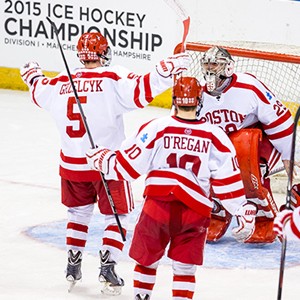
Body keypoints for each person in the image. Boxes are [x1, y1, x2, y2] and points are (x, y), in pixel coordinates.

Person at [20, 32, 191, 295]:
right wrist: (164, 72)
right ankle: (108, 262)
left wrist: (32, 73)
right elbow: (141, 91)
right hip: (107, 164)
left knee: (78, 213)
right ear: (103, 53)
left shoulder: (61, 82)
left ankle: (73, 262)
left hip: (71, 166)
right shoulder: (112, 78)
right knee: (118, 215)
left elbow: (38, 89)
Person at [86, 76, 257, 300]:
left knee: (147, 261)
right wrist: (241, 210)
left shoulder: (157, 127)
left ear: (175, 100)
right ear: (199, 101)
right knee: (185, 268)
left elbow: (127, 168)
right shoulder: (216, 136)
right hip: (194, 212)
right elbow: (228, 183)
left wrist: (105, 161)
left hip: (158, 207)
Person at [198, 45, 297, 243]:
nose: (210, 70)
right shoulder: (198, 93)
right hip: (220, 146)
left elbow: (278, 119)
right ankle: (216, 212)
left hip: (255, 143)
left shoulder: (249, 86)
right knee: (207, 165)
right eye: (207, 64)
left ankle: (263, 219)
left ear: (228, 68)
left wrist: (290, 154)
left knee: (245, 156)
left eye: (215, 65)